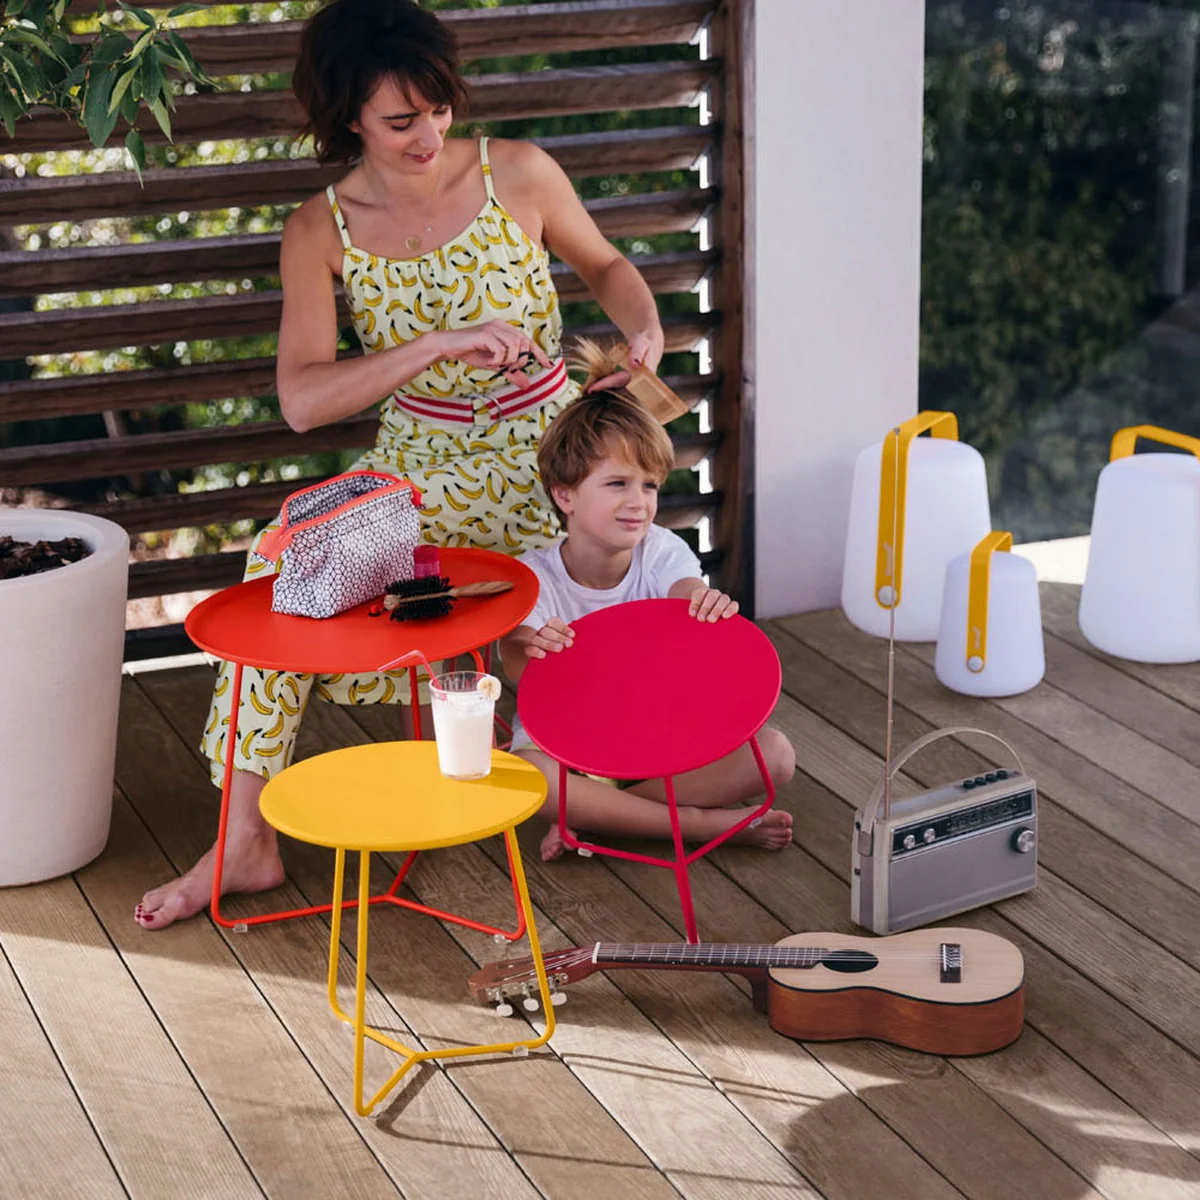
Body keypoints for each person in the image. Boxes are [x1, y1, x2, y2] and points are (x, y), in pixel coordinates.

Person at [135, 0, 665, 929]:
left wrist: (644, 327)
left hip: (553, 461)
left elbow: (608, 266)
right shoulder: (321, 230)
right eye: (400, 120)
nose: (428, 136)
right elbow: (303, 399)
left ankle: (598, 773)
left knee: (598, 585)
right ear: (349, 116)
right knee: (284, 567)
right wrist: (434, 345)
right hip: (420, 469)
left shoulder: (517, 172)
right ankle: (243, 839)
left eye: (439, 109)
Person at [499, 342, 797, 863]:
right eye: (618, 483)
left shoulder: (659, 549)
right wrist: (534, 647)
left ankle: (600, 819)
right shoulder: (533, 575)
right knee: (528, 777)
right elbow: (516, 659)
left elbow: (686, 591)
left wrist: (704, 604)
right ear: (565, 495)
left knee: (776, 755)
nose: (638, 502)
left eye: (650, 486)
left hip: (658, 733)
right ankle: (701, 825)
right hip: (568, 744)